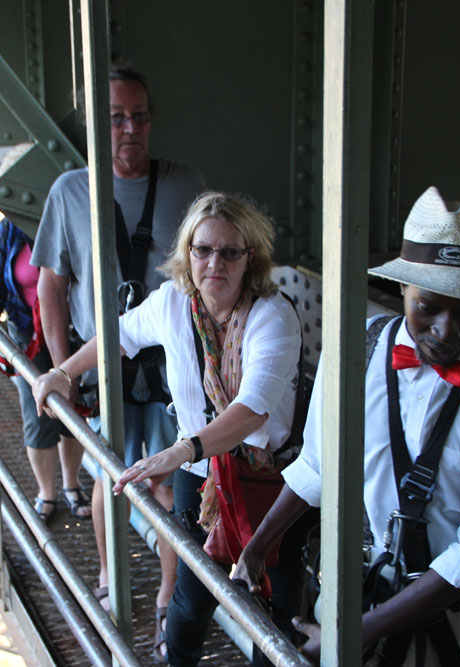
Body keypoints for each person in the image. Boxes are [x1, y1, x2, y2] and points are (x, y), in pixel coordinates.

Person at [234, 186, 460, 665]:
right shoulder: (352, 352)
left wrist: (355, 634)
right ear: (403, 288)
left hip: (456, 637)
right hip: (351, 600)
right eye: (430, 306)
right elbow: (319, 468)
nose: (446, 329)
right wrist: (256, 549)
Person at [34, 192, 307, 665]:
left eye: (229, 252)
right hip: (201, 476)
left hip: (270, 480)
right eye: (202, 250)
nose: (213, 263)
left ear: (250, 258)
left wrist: (181, 450)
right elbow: (120, 334)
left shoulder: (273, 316)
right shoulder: (174, 304)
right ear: (188, 254)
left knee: (277, 608)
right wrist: (65, 372)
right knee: (192, 594)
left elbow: (253, 409)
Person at [30, 62, 206, 658]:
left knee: (170, 485)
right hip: (105, 361)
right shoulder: (70, 191)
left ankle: (165, 596)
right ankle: (110, 580)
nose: (129, 129)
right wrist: (62, 369)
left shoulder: (186, 187)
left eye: (139, 116)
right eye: (115, 118)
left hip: (170, 363)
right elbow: (50, 286)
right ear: (95, 128)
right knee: (110, 473)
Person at [0, 218, 87, 520]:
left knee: (75, 410)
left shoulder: (73, 221)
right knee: (37, 415)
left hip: (74, 334)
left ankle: (71, 484)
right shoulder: (10, 230)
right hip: (27, 336)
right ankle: (47, 492)